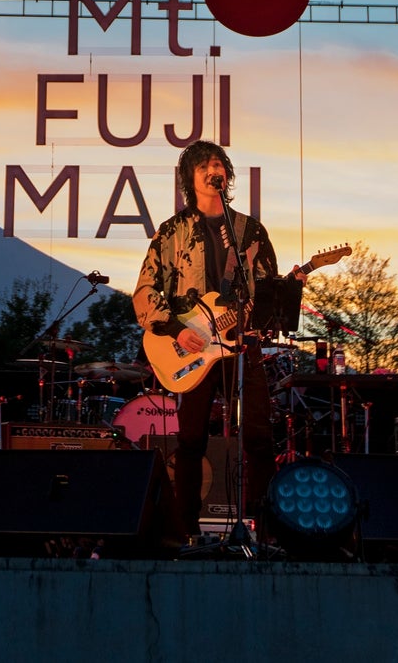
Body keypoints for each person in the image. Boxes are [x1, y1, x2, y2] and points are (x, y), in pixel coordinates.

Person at [133, 141, 288, 541]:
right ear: (191, 178)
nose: (212, 168)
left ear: (227, 174)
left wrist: (287, 289)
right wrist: (175, 329)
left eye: (217, 162)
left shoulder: (250, 231)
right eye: (203, 164)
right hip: (192, 346)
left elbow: (267, 290)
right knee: (190, 439)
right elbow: (145, 292)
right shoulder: (172, 232)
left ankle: (268, 531)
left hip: (242, 344)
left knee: (258, 435)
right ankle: (185, 531)